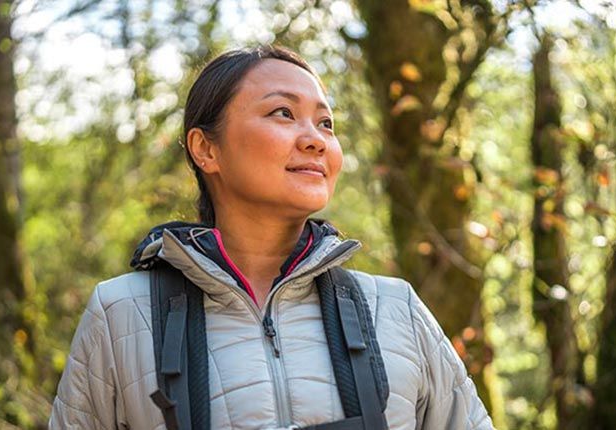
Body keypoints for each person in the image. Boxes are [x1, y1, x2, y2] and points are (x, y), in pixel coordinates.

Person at [48, 45, 493, 430]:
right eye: (283, 113)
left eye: (326, 123)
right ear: (206, 149)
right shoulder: (122, 314)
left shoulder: (397, 310)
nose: (316, 140)